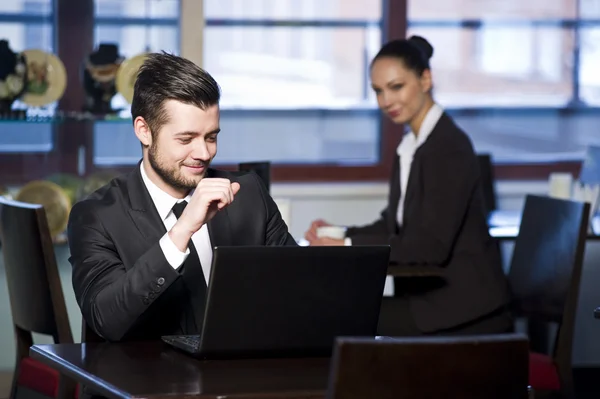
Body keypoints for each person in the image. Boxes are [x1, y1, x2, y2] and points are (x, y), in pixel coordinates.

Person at [68, 52, 297, 343]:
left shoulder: (249, 193)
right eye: (186, 139)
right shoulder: (96, 216)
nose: (204, 153)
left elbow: (298, 291)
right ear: (144, 131)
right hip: (146, 382)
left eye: (211, 137)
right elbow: (106, 319)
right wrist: (182, 231)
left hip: (241, 376)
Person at [305, 36, 511, 336]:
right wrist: (341, 232)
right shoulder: (413, 145)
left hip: (463, 306)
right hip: (428, 297)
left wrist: (346, 246)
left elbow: (430, 247)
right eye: (378, 91)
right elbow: (393, 223)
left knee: (339, 316)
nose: (386, 101)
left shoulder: (447, 147)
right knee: (338, 310)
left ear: (425, 79)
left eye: (396, 87)